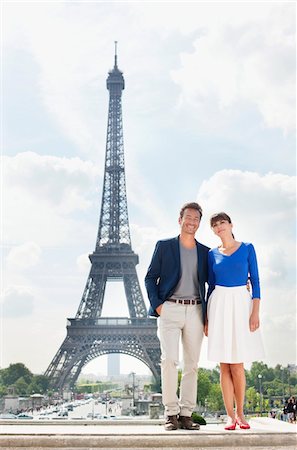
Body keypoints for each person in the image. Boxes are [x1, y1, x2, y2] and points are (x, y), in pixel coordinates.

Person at [145, 202, 209, 431]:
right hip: (170, 308)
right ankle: (171, 413)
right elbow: (150, 277)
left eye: (196, 219)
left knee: (192, 365)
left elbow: (214, 282)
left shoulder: (205, 251)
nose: (192, 222)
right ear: (179, 219)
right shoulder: (164, 246)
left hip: (196, 309)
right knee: (169, 360)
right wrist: (158, 306)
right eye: (188, 217)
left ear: (199, 223)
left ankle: (186, 414)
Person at [205, 212, 265, 430]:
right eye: (215, 225)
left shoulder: (248, 248)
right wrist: (206, 318)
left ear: (231, 225)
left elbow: (256, 281)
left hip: (241, 304)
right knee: (224, 365)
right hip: (219, 304)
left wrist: (255, 311)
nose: (219, 227)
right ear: (212, 230)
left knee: (237, 364)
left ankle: (240, 413)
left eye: (222, 222)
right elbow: (210, 287)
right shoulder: (211, 254)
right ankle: (230, 416)